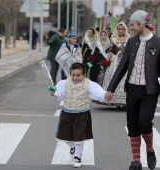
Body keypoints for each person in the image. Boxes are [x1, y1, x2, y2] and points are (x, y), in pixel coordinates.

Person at [105, 10, 158, 170]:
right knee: (133, 125)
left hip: (150, 91)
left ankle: (149, 149)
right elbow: (121, 67)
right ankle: (137, 161)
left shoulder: (158, 43)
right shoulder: (132, 42)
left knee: (144, 122)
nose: (131, 28)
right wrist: (110, 89)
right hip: (132, 89)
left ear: (142, 24)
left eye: (133, 25)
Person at [50, 63, 108, 168]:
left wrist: (104, 96)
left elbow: (98, 93)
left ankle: (78, 157)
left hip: (82, 114)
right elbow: (59, 95)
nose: (75, 78)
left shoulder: (89, 84)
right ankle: (72, 148)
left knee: (79, 137)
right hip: (67, 113)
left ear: (84, 75)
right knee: (64, 136)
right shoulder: (64, 83)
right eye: (73, 75)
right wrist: (54, 93)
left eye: (78, 75)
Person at [102, 21, 131, 108]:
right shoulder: (113, 39)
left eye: (122, 29)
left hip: (126, 61)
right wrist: (107, 60)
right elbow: (110, 51)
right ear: (117, 30)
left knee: (125, 80)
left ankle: (125, 101)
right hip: (115, 61)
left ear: (125, 29)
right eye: (119, 29)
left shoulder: (130, 39)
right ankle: (116, 102)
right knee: (115, 78)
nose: (121, 31)